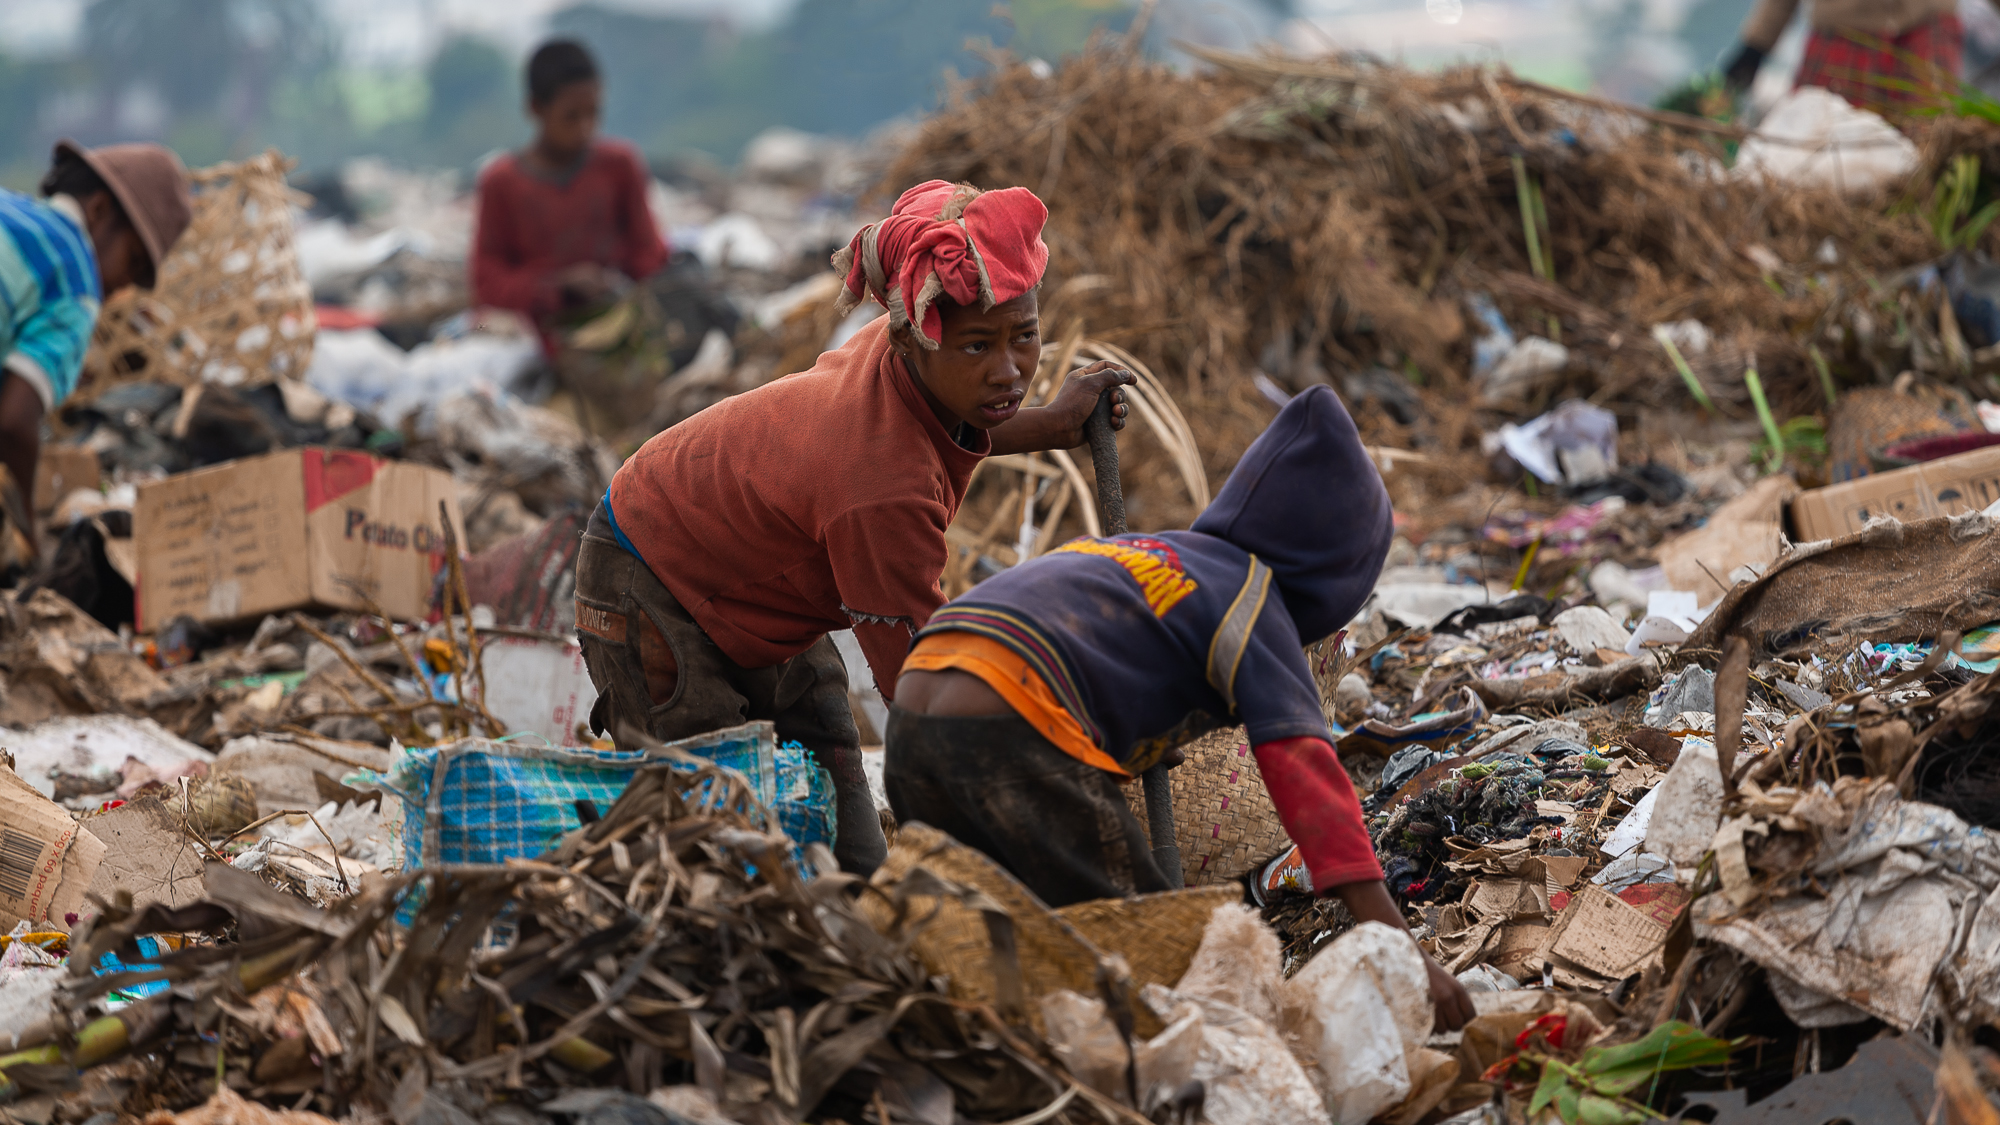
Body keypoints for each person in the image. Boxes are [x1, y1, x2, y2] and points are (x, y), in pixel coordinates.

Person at [575, 179, 1134, 877]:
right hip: (645, 571)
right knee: (713, 832)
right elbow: (925, 689)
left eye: (1025, 336)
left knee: (846, 816)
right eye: (977, 347)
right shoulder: (881, 492)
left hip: (754, 571)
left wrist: (1054, 423)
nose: (1009, 370)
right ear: (917, 340)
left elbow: (958, 418)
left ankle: (860, 898)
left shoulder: (907, 353)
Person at [885, 383, 1475, 1031]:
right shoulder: (1255, 604)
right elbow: (1313, 786)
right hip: (1012, 723)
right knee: (1152, 948)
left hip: (919, 699)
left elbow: (1102, 649)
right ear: (1332, 580)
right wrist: (1413, 959)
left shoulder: (1159, 554)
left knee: (972, 929)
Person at [0, 140, 190, 527]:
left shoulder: (10, 209)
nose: (120, 290)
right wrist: (26, 535)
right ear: (99, 210)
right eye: (131, 262)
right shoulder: (76, 282)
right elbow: (14, 424)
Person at [471, 39, 667, 353]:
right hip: (540, 338)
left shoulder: (619, 166)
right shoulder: (502, 182)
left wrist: (614, 280)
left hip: (619, 326)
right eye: (571, 116)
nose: (585, 128)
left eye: (593, 113)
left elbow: (649, 252)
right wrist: (557, 287)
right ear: (536, 108)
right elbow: (487, 282)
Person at [1723, 0, 1962, 109]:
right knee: (1815, 144)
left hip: (1927, 27)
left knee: (1933, 145)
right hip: (1844, 29)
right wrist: (1755, 48)